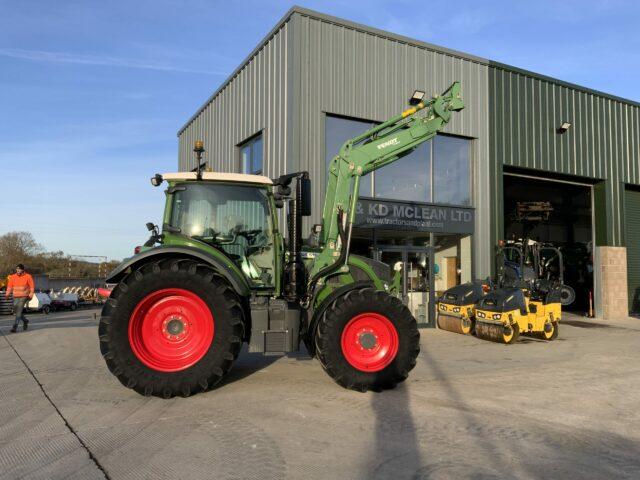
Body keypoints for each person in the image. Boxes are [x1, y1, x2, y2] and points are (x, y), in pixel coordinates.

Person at [6, 264, 35, 333]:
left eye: (19, 269)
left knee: (19, 311)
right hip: (15, 296)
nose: (18, 270)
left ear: (23, 269)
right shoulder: (12, 277)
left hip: (24, 296)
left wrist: (31, 295)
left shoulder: (28, 276)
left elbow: (32, 287)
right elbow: (9, 287)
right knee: (15, 310)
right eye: (17, 269)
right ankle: (25, 320)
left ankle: (14, 327)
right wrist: (7, 294)